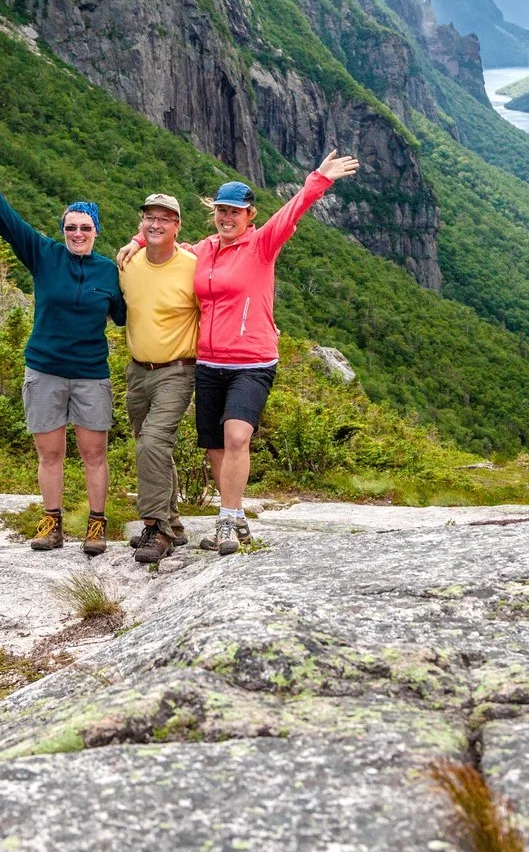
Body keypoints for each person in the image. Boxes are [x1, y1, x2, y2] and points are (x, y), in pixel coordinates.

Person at [121, 152, 360, 555]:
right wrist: (138, 240)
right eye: (221, 211)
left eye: (235, 212)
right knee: (215, 444)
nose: (227, 218)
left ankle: (227, 521)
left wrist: (319, 179)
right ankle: (234, 517)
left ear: (250, 214)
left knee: (236, 436)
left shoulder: (262, 244)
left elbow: (292, 210)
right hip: (209, 363)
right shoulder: (205, 249)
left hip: (252, 362)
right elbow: (168, 241)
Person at [0, 138, 126, 555]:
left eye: (85, 227)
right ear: (62, 230)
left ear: (96, 231)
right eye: (71, 227)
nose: (78, 233)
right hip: (45, 369)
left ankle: (97, 525)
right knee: (50, 454)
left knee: (94, 453)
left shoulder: (110, 271)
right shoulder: (44, 255)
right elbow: (6, 220)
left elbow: (127, 314)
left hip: (90, 373)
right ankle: (52, 523)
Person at [118, 192, 200, 564]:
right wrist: (132, 244)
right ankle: (175, 523)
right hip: (137, 371)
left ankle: (156, 528)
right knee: (152, 446)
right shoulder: (128, 262)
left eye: (165, 219)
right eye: (149, 217)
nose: (155, 224)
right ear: (141, 223)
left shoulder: (192, 265)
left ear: (177, 226)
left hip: (177, 371)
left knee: (152, 442)